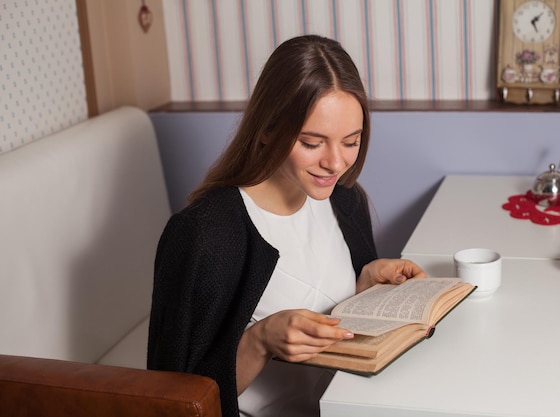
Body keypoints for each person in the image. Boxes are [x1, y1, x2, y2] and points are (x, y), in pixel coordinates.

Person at [147, 34, 426, 417]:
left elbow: (336, 317)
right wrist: (259, 341)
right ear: (267, 131)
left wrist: (366, 282)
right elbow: (174, 401)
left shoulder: (345, 200)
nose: (335, 162)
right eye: (312, 143)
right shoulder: (205, 234)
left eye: (351, 141)